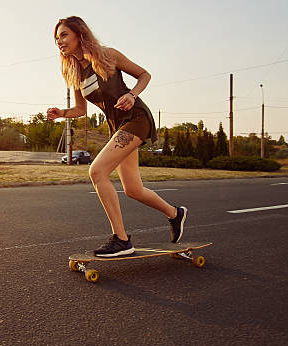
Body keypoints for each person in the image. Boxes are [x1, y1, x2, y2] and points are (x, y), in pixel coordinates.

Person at [47, 16, 187, 257]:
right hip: (118, 128)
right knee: (133, 189)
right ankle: (175, 214)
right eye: (56, 38)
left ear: (80, 34)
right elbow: (81, 110)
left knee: (97, 171)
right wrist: (62, 113)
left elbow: (144, 75)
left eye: (64, 35)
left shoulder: (107, 55)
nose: (59, 41)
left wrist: (132, 95)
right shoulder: (75, 73)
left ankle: (122, 240)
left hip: (136, 119)